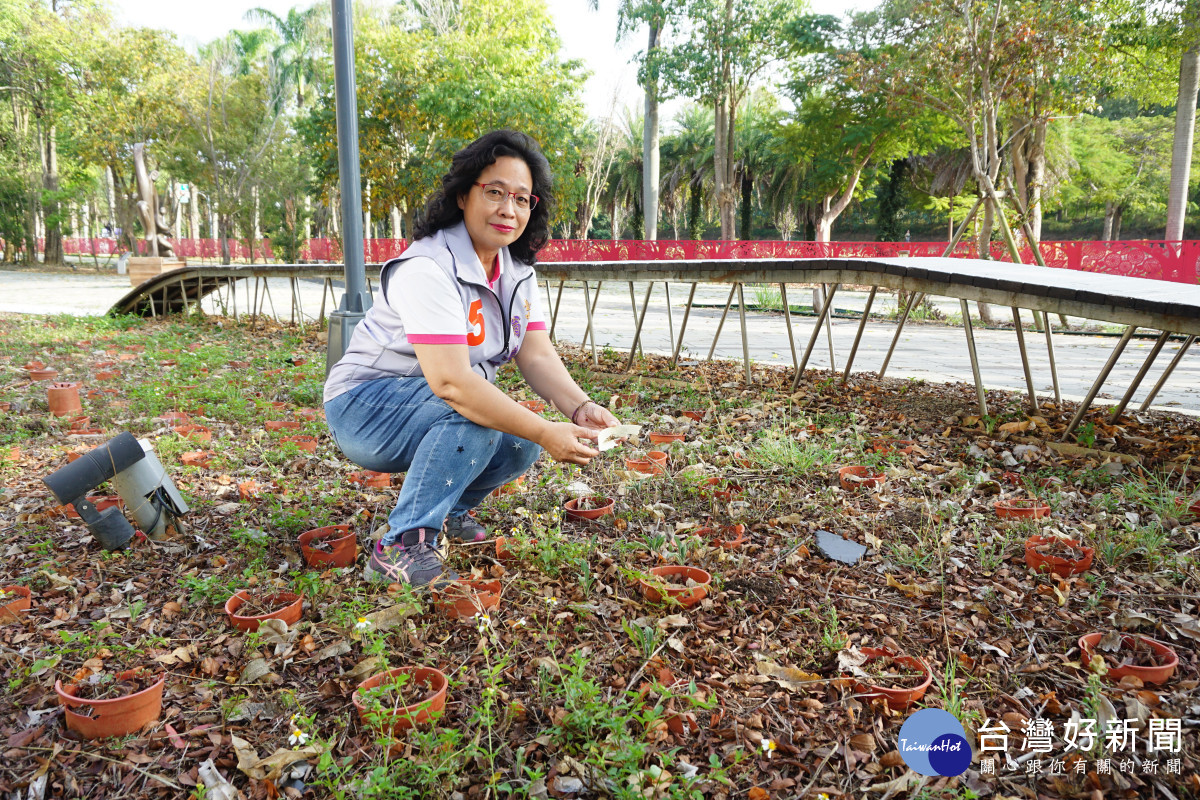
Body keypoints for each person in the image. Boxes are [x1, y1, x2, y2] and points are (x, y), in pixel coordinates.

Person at [323, 130, 620, 587]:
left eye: (522, 199)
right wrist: (544, 429)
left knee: (521, 441)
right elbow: (453, 385)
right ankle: (401, 546)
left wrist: (579, 409)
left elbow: (536, 354)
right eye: (495, 192)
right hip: (365, 407)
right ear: (463, 195)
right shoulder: (429, 267)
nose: (509, 209)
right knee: (482, 418)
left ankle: (447, 512)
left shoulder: (516, 273)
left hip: (433, 402)